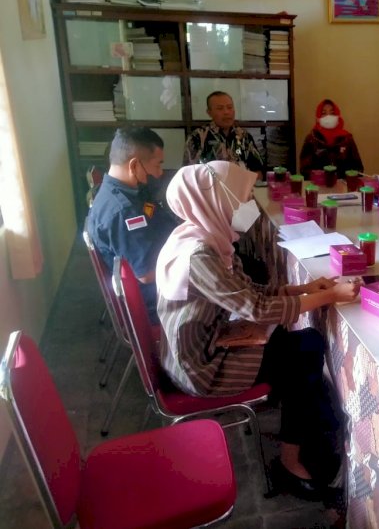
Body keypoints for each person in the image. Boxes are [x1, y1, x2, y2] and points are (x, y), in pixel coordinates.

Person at [155, 160, 359, 500]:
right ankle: (290, 464)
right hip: (201, 364)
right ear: (217, 199)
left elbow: (249, 292)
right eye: (244, 195)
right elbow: (256, 308)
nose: (249, 204)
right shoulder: (199, 253)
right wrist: (329, 295)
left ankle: (306, 421)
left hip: (208, 340)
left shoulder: (203, 235)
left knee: (302, 348)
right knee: (306, 350)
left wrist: (304, 290)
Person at [87, 127, 177, 324]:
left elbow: (153, 214)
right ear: (134, 165)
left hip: (156, 278)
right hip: (155, 302)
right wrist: (193, 262)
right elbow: (146, 274)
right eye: (157, 165)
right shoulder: (123, 212)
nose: (159, 172)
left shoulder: (122, 190)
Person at [183, 91, 265, 173]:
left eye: (229, 107)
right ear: (209, 113)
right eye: (220, 108)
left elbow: (258, 171)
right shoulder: (198, 137)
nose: (226, 112)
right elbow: (189, 174)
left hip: (242, 184)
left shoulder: (244, 136)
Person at [299, 99, 363, 179]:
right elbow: (304, 169)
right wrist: (320, 178)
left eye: (332, 113)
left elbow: (358, 168)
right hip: (318, 187)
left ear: (338, 116)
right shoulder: (312, 138)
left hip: (344, 187)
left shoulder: (347, 138)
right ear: (318, 118)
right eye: (323, 113)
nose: (328, 116)